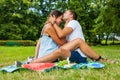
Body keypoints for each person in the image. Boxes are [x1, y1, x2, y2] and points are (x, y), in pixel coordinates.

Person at [31, 10, 111, 63]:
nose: (63, 16)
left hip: (77, 54)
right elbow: (60, 41)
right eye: (61, 18)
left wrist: (54, 23)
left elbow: (61, 36)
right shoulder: (62, 27)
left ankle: (100, 59)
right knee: (60, 50)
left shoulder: (73, 22)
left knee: (78, 41)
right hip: (70, 53)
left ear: (71, 16)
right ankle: (37, 61)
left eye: (66, 13)